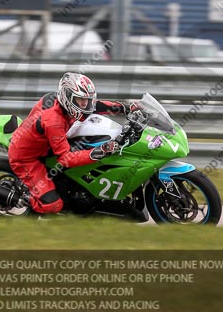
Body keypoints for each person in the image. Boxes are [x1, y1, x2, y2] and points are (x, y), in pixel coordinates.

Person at [8, 72, 139, 214]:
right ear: (67, 98)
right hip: (27, 158)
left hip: (47, 145)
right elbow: (65, 159)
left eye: (87, 100)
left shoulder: (66, 104)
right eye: (81, 100)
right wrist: (100, 151)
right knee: (54, 205)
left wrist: (127, 107)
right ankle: (25, 200)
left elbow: (98, 106)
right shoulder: (53, 121)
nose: (86, 105)